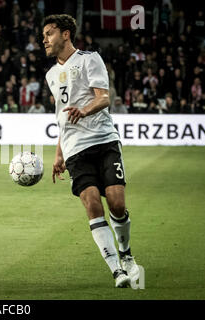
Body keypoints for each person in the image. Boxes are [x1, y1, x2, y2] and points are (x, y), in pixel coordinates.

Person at [43, 14, 139, 288]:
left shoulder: (89, 59)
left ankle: (126, 254)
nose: (44, 40)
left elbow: (104, 97)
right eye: (43, 35)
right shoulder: (51, 74)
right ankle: (116, 270)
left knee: (116, 202)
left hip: (103, 140)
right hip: (75, 149)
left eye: (49, 33)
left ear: (65, 34)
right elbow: (62, 116)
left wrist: (84, 110)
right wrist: (59, 153)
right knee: (92, 203)